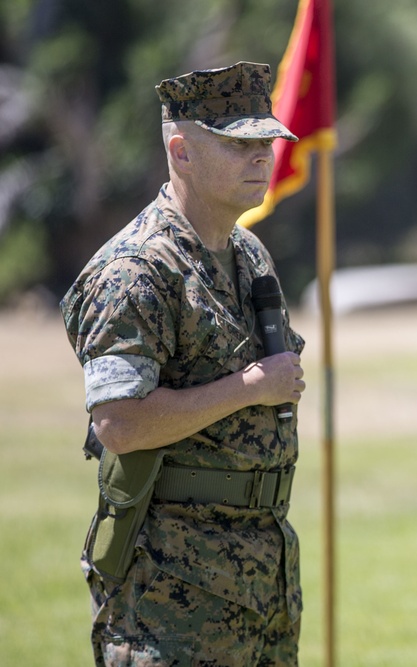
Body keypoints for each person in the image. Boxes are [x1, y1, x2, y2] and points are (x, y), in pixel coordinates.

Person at [60, 61, 307, 666]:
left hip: (262, 579)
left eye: (265, 142)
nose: (261, 157)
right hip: (171, 596)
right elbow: (119, 424)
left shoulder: (247, 253)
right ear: (182, 151)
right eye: (238, 144)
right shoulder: (136, 270)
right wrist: (250, 387)